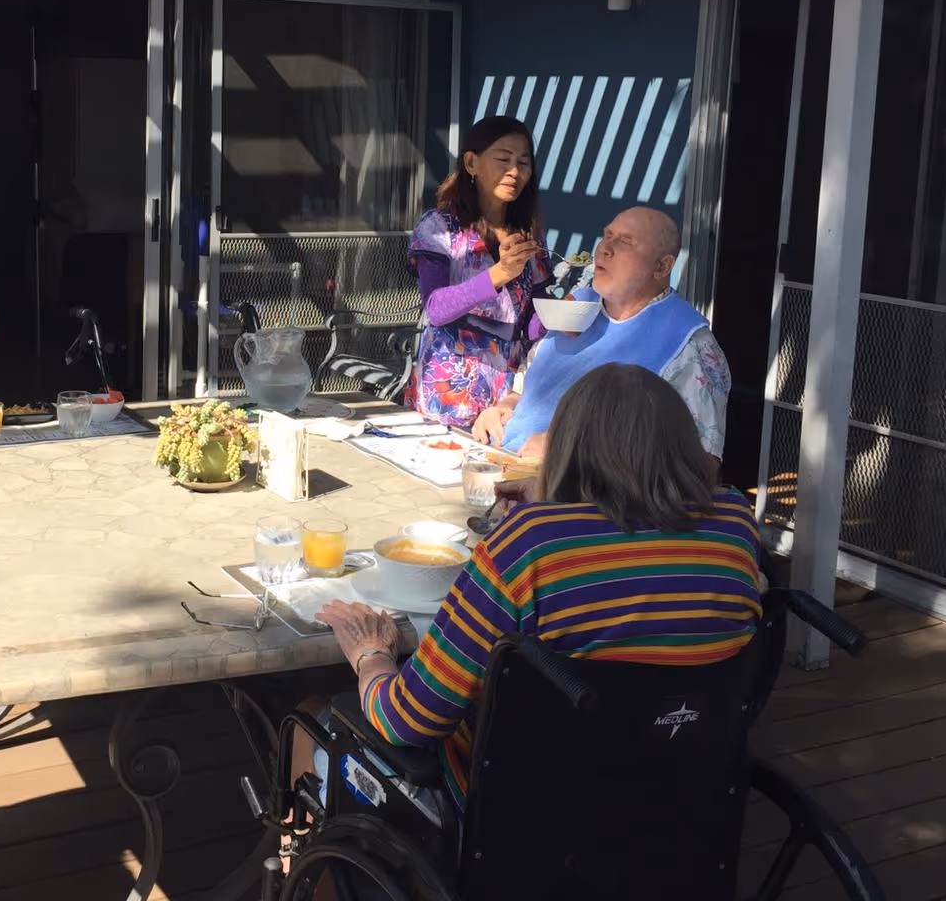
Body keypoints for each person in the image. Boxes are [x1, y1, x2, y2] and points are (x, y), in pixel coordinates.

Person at [311, 363, 764, 816]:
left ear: (568, 446)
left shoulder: (532, 543)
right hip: (677, 802)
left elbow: (406, 721)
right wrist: (557, 503)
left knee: (312, 717)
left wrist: (371, 656)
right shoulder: (734, 526)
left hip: (526, 815)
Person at [472, 206, 731, 467]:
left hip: (580, 489)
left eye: (625, 241)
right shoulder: (576, 308)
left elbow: (701, 464)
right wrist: (506, 406)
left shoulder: (689, 344)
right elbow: (530, 386)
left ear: (662, 266)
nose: (605, 248)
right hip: (498, 462)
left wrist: (572, 450)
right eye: (607, 235)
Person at [405, 116, 552, 427]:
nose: (514, 171)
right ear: (471, 163)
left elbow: (531, 318)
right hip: (449, 388)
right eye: (503, 159)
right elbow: (436, 309)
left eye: (523, 162)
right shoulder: (439, 227)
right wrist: (499, 273)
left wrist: (560, 318)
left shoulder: (530, 234)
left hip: (506, 394)